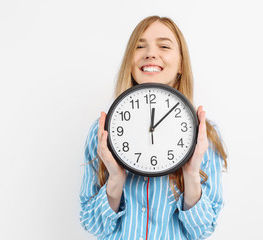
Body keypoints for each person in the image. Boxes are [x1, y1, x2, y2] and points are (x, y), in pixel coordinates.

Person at [79, 15, 228, 240]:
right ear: (130, 62)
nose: (150, 53)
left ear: (180, 64)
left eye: (164, 46)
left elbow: (203, 230)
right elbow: (95, 226)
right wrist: (116, 179)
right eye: (139, 46)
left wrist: (190, 174)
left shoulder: (203, 135)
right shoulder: (103, 131)